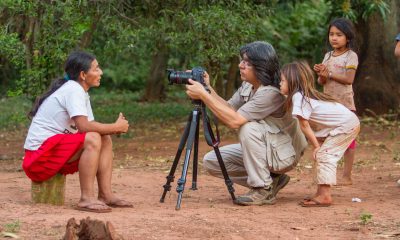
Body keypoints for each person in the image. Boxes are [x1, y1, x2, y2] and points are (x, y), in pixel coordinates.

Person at [185, 41, 307, 206]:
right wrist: (207, 88)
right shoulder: (249, 85)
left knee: (247, 127)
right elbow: (228, 107)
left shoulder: (272, 92)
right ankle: (272, 180)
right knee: (212, 161)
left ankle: (263, 189)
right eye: (242, 61)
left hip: (285, 153)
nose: (241, 65)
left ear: (261, 66)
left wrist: (203, 96)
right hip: (269, 147)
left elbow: (234, 121)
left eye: (247, 63)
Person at [23, 50, 132, 213]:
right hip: (38, 160)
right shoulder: (73, 89)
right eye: (96, 69)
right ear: (83, 74)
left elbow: (91, 124)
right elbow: (84, 127)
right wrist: (116, 127)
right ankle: (86, 198)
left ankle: (106, 194)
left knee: (104, 138)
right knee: (93, 137)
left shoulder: (80, 92)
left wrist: (111, 129)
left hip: (52, 153)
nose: (100, 72)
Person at [280, 61, 360, 207]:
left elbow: (304, 125)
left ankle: (324, 196)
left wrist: (316, 145)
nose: (280, 83)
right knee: (322, 154)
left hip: (346, 124)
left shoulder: (299, 97)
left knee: (324, 154)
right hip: (342, 123)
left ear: (292, 82)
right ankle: (320, 193)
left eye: (282, 80)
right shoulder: (300, 96)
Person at [313, 18, 359, 186]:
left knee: (349, 141)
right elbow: (322, 82)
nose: (334, 38)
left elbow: (349, 79)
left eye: (339, 35)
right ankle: (325, 174)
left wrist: (329, 74)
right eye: (331, 34)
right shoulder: (328, 55)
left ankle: (347, 175)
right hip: (329, 103)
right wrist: (322, 74)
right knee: (324, 137)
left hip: (345, 104)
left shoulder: (351, 56)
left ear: (348, 37)